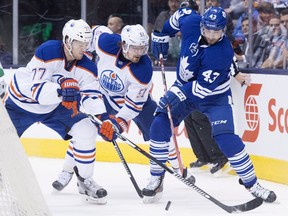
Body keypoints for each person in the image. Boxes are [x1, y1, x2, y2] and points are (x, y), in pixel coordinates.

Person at [142, 6, 277, 204]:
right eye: (208, 30)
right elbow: (176, 18)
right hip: (185, 87)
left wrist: (174, 95)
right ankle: (156, 177)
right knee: (159, 123)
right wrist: (160, 35)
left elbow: (200, 91)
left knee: (226, 139)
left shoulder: (221, 54)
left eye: (217, 32)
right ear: (201, 25)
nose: (212, 35)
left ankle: (252, 183)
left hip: (215, 98)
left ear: (224, 31)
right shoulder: (191, 21)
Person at [4, 19, 109, 204]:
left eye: (86, 44)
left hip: (53, 107)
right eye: (80, 43)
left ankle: (85, 180)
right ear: (68, 40)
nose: (84, 48)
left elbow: (92, 95)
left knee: (87, 129)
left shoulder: (88, 66)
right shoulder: (49, 51)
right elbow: (36, 90)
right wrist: (61, 90)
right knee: (3, 142)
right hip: (21, 104)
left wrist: (104, 119)